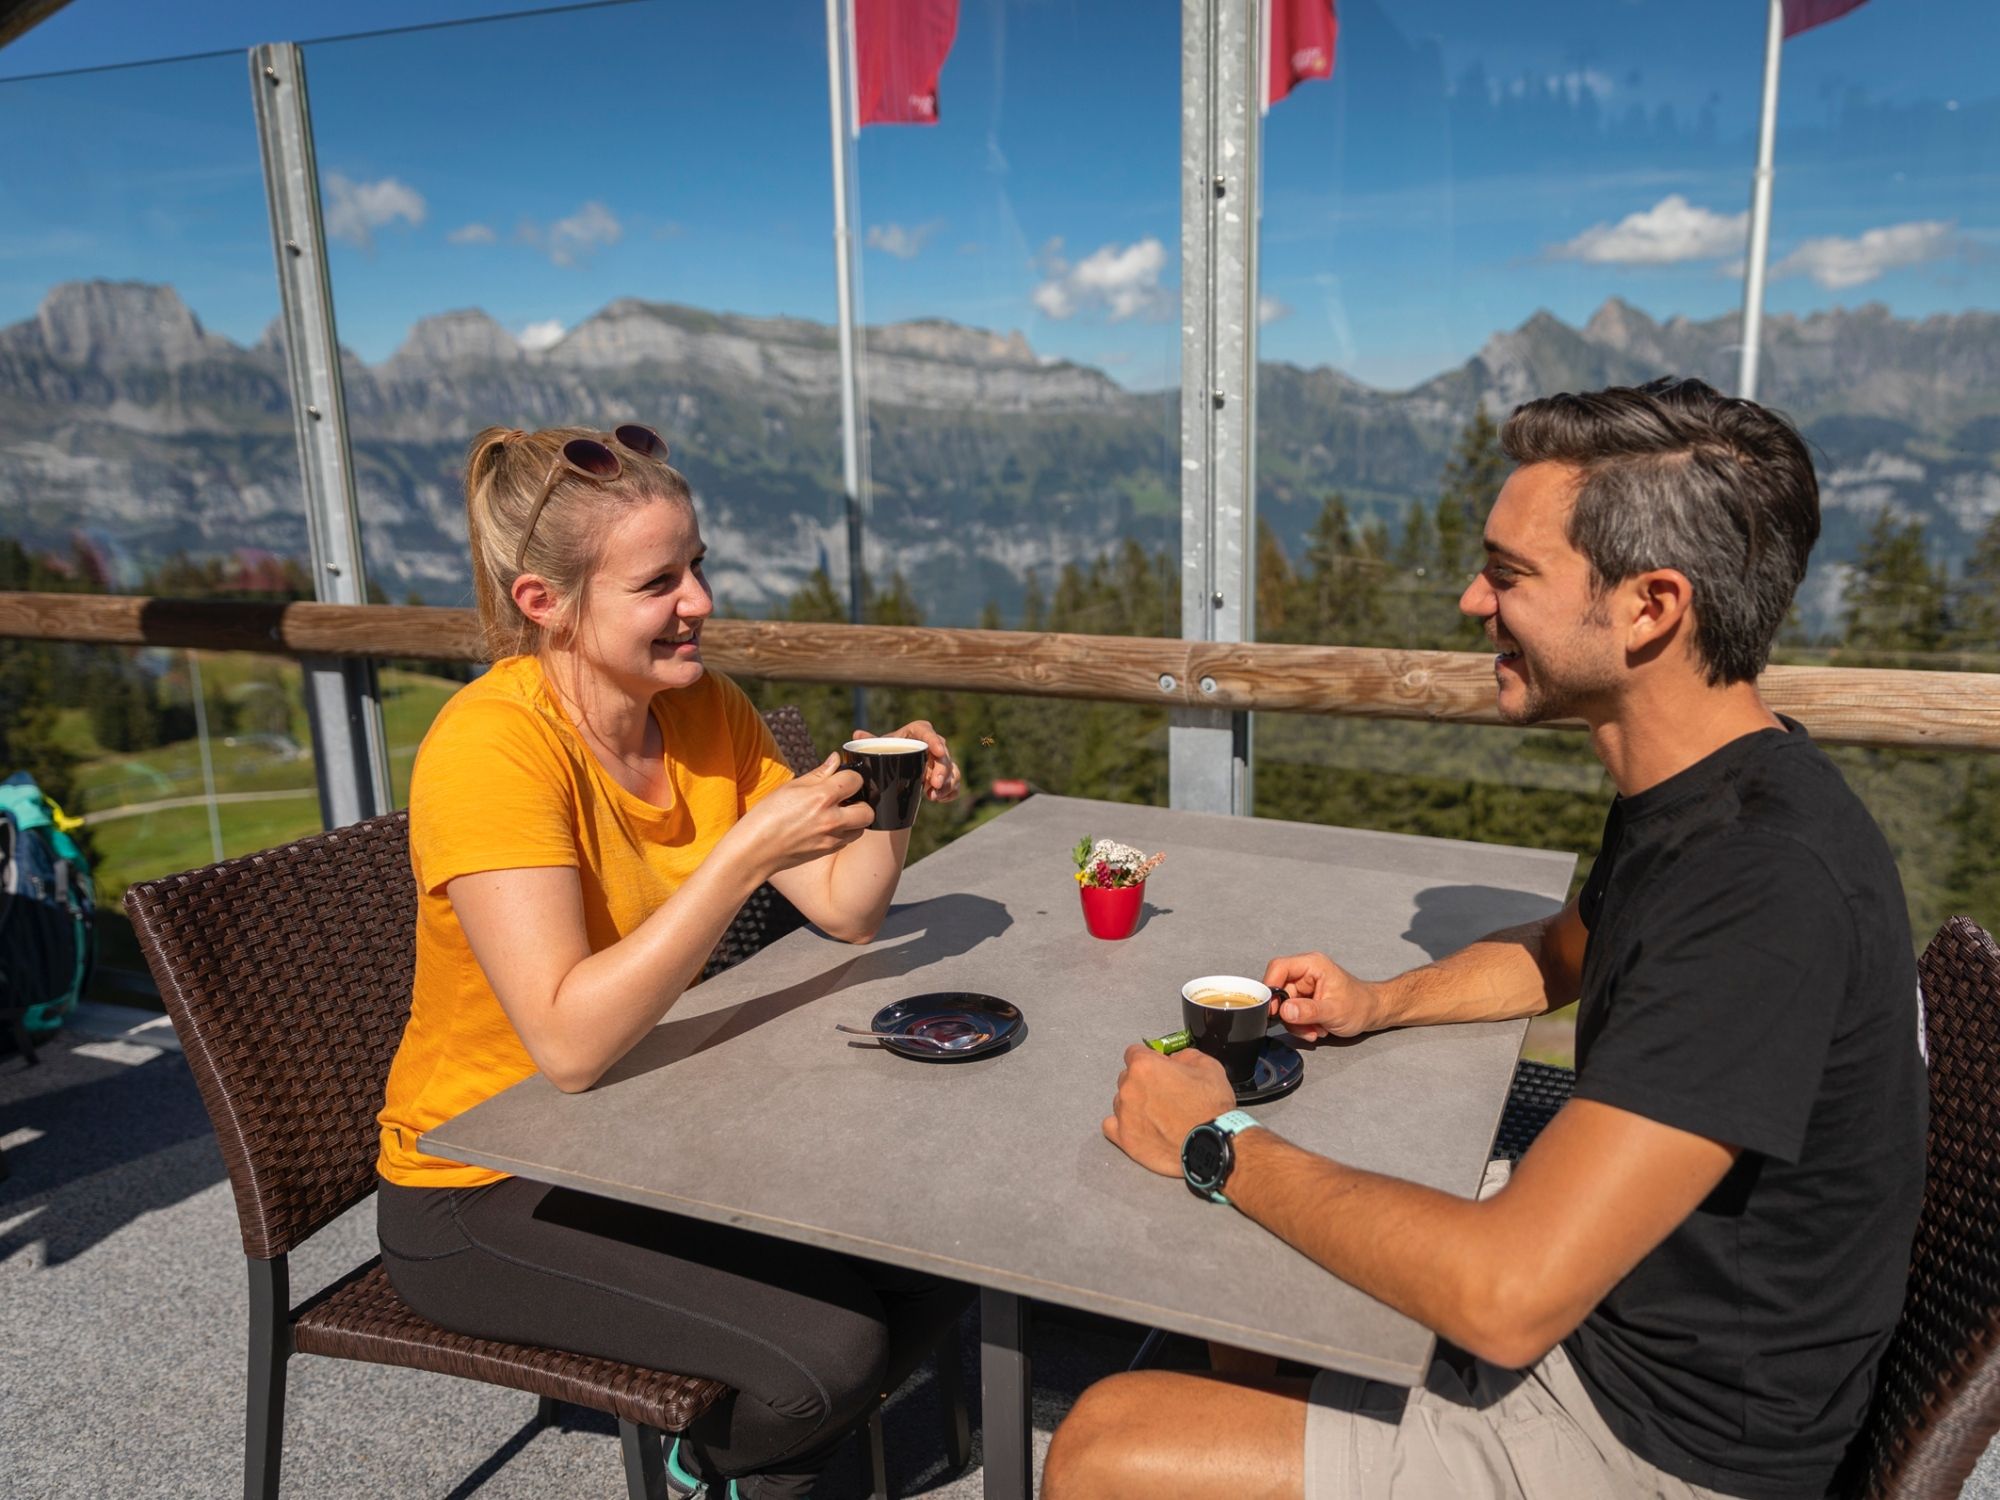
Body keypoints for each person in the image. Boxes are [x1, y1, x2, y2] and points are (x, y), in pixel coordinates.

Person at [1046, 379, 1927, 1500]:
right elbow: (1565, 954)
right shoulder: (1708, 792)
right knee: (1244, 1264)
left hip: (1659, 1438)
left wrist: (1211, 1141)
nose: (1472, 600)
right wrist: (1379, 1001)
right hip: (1616, 1317)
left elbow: (1508, 1297)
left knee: (1105, 1443)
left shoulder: (1761, 886)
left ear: (1650, 606)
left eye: (1508, 575)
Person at [374, 423, 969, 1500]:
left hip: (641, 1138)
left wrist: (890, 796)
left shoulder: (704, 707)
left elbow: (844, 912)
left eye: (696, 565)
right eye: (657, 582)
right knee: (832, 1357)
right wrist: (742, 856)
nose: (699, 600)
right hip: (480, 1183)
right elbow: (567, 1045)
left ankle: (745, 1459)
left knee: (943, 1248)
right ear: (544, 603)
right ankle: (727, 1471)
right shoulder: (490, 747)